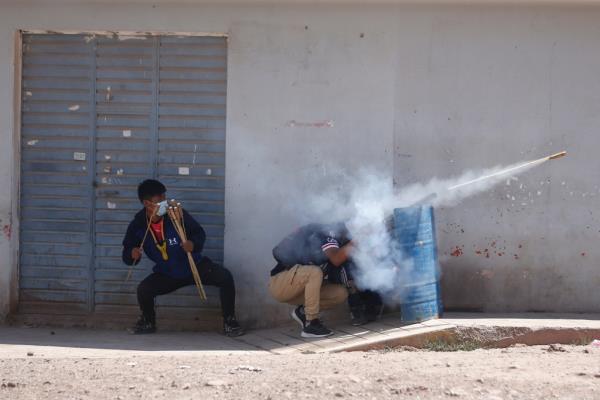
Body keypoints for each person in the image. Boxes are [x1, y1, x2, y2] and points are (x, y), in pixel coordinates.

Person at [122, 179, 244, 337]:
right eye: (159, 201)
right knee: (144, 290)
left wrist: (193, 244)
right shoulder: (138, 225)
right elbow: (127, 252)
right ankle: (148, 322)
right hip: (167, 273)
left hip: (192, 265)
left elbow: (198, 232)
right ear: (147, 204)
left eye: (165, 199)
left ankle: (230, 322)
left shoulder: (176, 214)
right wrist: (132, 255)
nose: (165, 204)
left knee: (225, 277)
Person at [269, 223, 354, 338]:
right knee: (314, 272)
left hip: (298, 288)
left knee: (340, 293)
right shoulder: (326, 232)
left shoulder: (339, 238)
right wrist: (358, 240)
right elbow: (336, 259)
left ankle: (303, 313)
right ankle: (311, 324)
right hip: (281, 283)